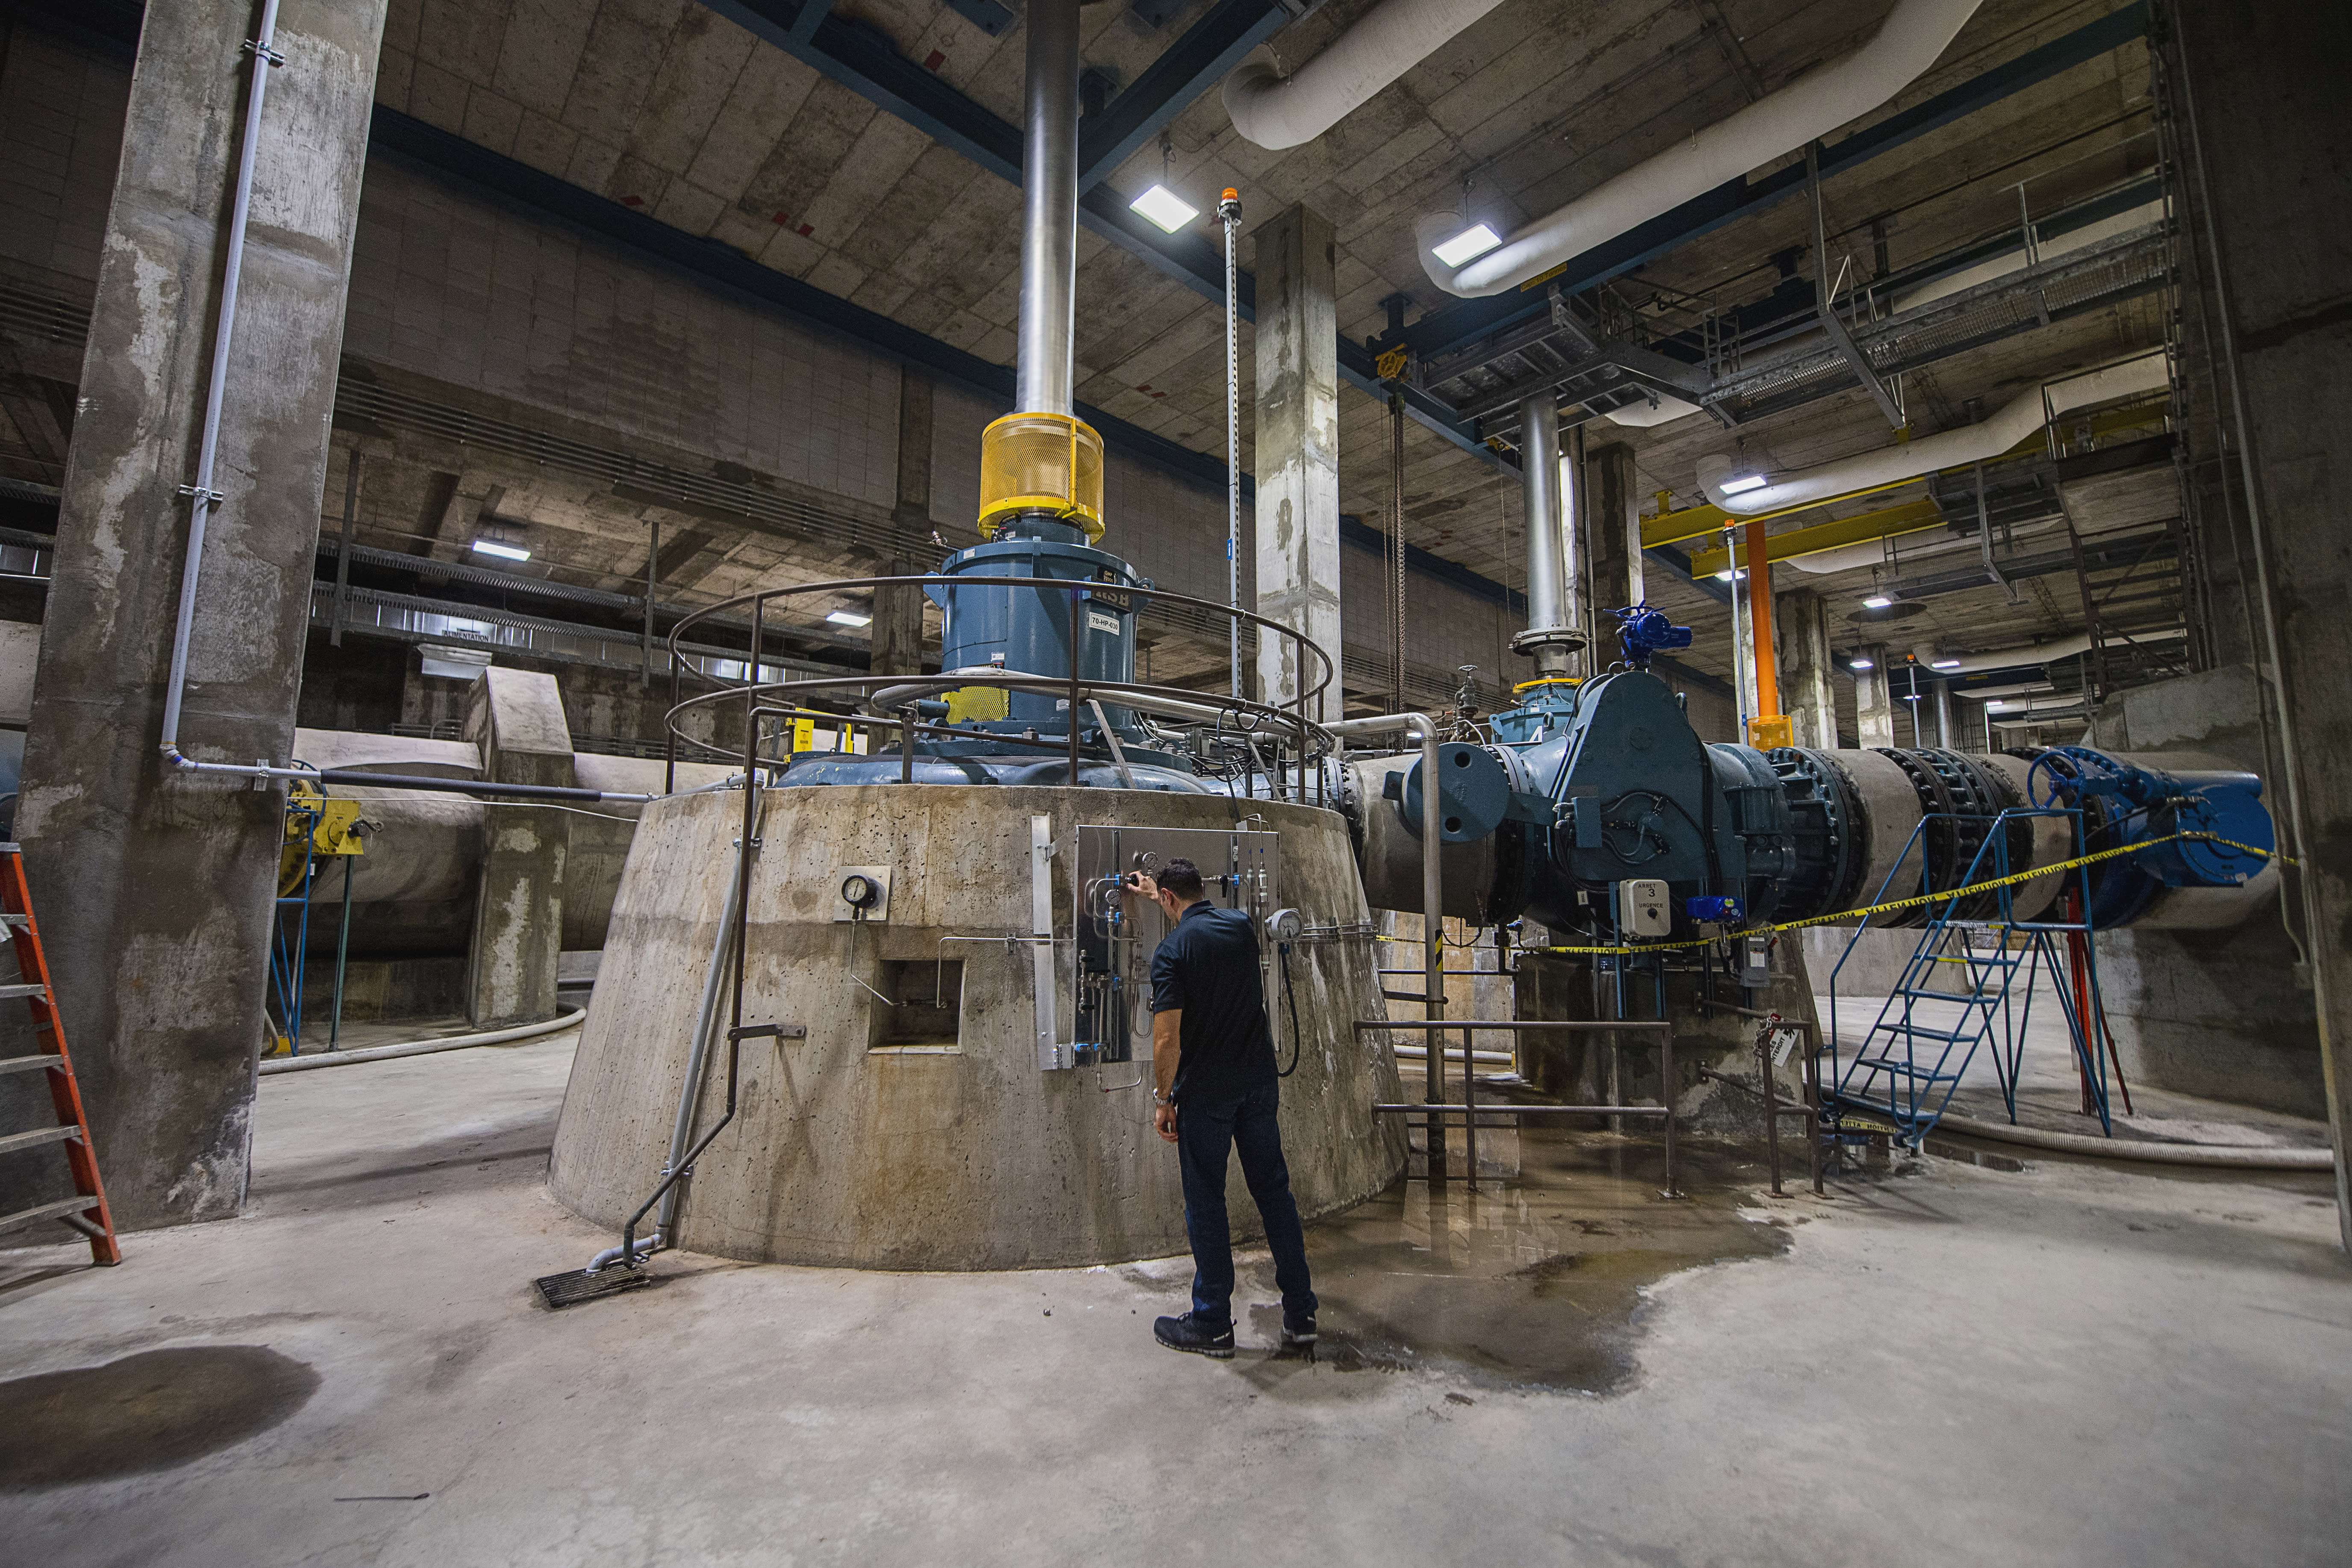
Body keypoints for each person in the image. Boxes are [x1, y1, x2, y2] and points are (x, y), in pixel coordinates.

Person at [1125, 859, 1316, 1359]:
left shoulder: (1170, 953)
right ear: (1199, 889)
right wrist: (1156, 895)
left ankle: (1211, 1321)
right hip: (1257, 1084)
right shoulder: (1240, 927)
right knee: (1275, 1195)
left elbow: (1166, 1040)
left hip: (1207, 1096)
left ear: (1168, 899)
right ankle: (1301, 1314)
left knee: (1206, 1203)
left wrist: (1162, 1100)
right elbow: (1200, 928)